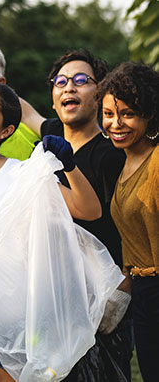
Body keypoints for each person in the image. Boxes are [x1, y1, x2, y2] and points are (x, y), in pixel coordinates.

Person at [0, 82, 101, 382]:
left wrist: (69, 166)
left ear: (6, 130)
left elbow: (89, 210)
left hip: (21, 319)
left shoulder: (22, 174)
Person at [23, 49, 132, 380]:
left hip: (101, 303)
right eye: (61, 82)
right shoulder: (49, 140)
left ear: (100, 95)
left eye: (82, 80)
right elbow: (24, 112)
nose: (70, 87)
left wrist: (122, 294)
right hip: (51, 299)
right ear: (53, 98)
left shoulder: (113, 154)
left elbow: (112, 224)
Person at [97, 61, 159, 381]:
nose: (115, 123)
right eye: (109, 114)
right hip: (144, 294)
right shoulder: (125, 163)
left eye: (127, 113)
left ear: (149, 114)